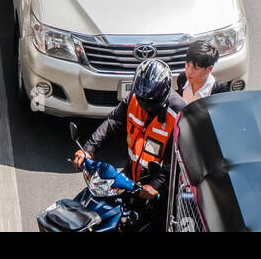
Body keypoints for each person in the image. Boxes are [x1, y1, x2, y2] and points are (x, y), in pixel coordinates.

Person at [74, 58, 185, 225]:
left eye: (149, 103)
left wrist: (156, 185)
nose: (143, 106)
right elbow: (113, 122)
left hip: (161, 190)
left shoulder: (178, 113)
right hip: (132, 178)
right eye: (141, 100)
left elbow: (175, 157)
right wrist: (89, 148)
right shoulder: (135, 96)